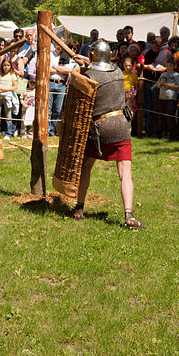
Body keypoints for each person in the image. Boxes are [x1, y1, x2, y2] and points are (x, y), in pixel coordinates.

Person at [69, 41, 145, 229]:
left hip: (99, 129)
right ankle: (129, 214)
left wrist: (79, 68)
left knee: (86, 166)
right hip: (121, 125)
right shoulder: (118, 72)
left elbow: (82, 80)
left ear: (93, 55)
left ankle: (79, 208)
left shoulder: (88, 75)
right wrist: (87, 61)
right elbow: (103, 70)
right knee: (125, 173)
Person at [156, 56, 179, 140]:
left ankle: (172, 134)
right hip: (161, 97)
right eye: (167, 65)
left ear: (174, 66)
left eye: (170, 65)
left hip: (171, 98)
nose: (168, 67)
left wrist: (170, 86)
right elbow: (157, 86)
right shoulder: (163, 74)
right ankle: (162, 133)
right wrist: (160, 83)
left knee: (170, 117)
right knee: (161, 117)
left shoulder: (176, 75)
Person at [0, 56, 19, 139]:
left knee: (8, 116)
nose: (6, 67)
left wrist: (5, 89)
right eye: (4, 65)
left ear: (10, 66)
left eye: (8, 65)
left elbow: (15, 87)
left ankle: (8, 133)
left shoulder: (12, 75)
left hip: (8, 97)